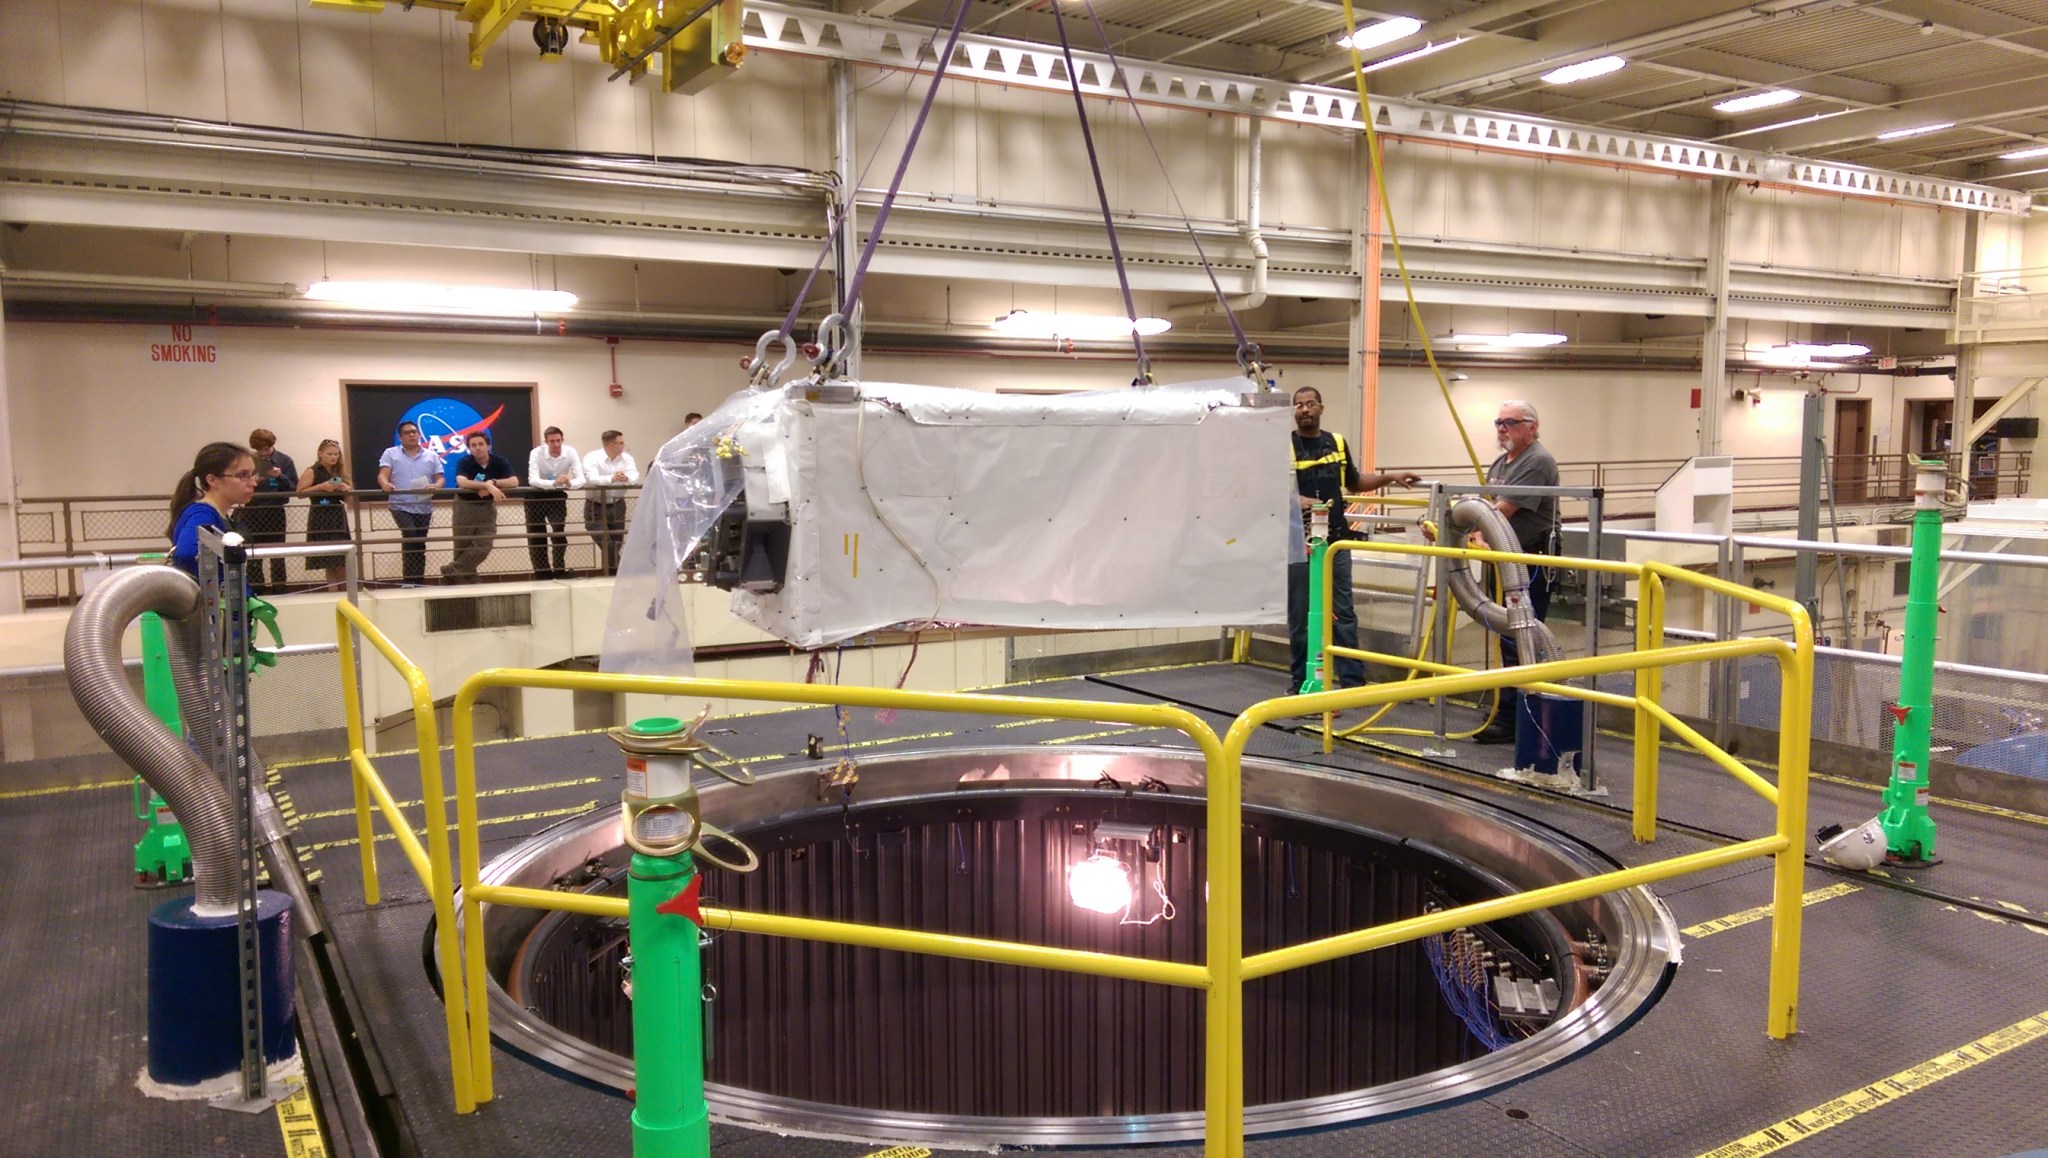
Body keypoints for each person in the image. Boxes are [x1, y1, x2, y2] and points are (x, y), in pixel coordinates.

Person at [1288, 386, 1419, 693]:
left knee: (1343, 612)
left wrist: (1391, 477)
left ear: (1321, 408)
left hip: (1335, 544)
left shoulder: (1336, 443)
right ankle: (1301, 683)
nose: (1304, 409)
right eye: (1298, 405)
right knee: (1300, 616)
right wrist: (1299, 500)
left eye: (1310, 404)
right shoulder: (1285, 447)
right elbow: (1267, 490)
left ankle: (1352, 684)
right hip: (1300, 545)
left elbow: (1356, 482)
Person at [1473, 398, 1560, 743]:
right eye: (1498, 422)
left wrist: (1477, 528)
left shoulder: (1537, 461)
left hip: (1529, 561)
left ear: (1532, 427)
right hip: (1504, 559)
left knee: (1521, 635)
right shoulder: (1501, 462)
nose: (1502, 429)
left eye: (1510, 422)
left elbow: (1499, 511)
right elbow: (1488, 507)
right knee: (1505, 632)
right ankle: (1509, 709)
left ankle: (1520, 717)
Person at [168, 442, 258, 577]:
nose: (253, 483)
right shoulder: (202, 514)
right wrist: (220, 586)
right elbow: (186, 554)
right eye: (242, 475)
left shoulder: (217, 513)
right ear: (212, 480)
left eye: (252, 475)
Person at [443, 431, 519, 581]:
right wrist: (485, 485)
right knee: (462, 545)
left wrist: (493, 483)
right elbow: (462, 482)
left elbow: (514, 481)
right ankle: (468, 579)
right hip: (464, 506)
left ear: (488, 446)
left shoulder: (499, 461)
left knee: (485, 543)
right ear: (469, 448)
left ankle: (453, 570)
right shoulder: (464, 462)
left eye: (480, 444)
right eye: (473, 445)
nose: (477, 448)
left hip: (487, 506)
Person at [377, 421, 444, 587]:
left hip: (423, 507)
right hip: (400, 505)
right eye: (407, 433)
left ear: (419, 434)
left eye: (415, 432)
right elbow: (382, 475)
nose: (412, 435)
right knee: (410, 536)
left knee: (419, 544)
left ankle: (418, 582)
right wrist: (385, 484)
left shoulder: (431, 455)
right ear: (400, 437)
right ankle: (408, 582)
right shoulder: (390, 453)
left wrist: (436, 486)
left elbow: (440, 478)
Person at [239, 429, 298, 593]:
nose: (264, 453)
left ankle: (280, 588)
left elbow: (294, 488)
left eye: (266, 449)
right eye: (260, 450)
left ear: (272, 446)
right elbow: (237, 484)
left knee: (277, 553)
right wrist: (252, 480)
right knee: (252, 553)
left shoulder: (284, 460)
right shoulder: (249, 461)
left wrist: (280, 477)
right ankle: (257, 589)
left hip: (275, 511)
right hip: (252, 511)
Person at [525, 426, 583, 579]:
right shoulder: (536, 453)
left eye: (558, 440)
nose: (556, 444)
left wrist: (568, 483)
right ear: (546, 442)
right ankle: (542, 573)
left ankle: (559, 570)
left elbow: (581, 479)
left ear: (562, 440)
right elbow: (533, 479)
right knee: (537, 536)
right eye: (552, 441)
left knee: (558, 532)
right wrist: (554, 483)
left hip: (557, 495)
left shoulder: (570, 452)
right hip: (535, 496)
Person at [581, 430, 638, 576]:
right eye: (621, 443)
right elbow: (591, 478)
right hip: (596, 504)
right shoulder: (592, 457)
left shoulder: (627, 458)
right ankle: (623, 570)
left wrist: (626, 478)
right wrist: (612, 478)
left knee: (617, 540)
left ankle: (612, 573)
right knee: (604, 539)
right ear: (611, 444)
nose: (624, 445)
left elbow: (634, 475)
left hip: (618, 504)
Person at [297, 438, 352, 586]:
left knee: (341, 558)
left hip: (337, 515)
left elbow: (348, 500)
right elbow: (300, 493)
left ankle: (346, 592)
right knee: (328, 560)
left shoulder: (339, 471)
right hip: (320, 515)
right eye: (330, 454)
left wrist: (346, 489)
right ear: (321, 454)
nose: (334, 457)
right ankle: (334, 594)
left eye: (336, 454)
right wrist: (321, 486)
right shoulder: (312, 471)